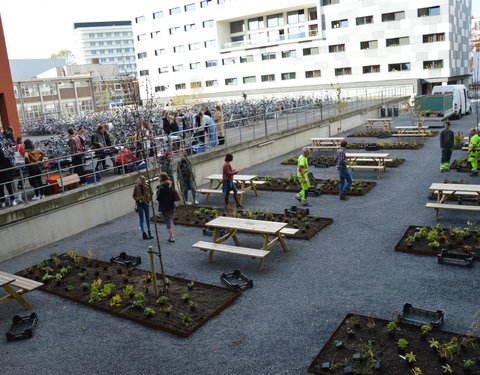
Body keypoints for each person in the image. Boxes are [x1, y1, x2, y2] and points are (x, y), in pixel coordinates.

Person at [156, 172, 176, 243]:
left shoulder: (160, 188)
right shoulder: (170, 184)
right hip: (171, 205)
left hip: (164, 206)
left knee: (168, 222)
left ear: (161, 178)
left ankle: (172, 237)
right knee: (171, 220)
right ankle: (172, 235)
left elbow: (158, 198)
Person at [132, 175, 154, 240]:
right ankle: (144, 233)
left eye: (139, 181)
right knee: (141, 219)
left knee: (147, 218)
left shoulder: (147, 186)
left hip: (146, 204)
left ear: (142, 181)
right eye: (137, 181)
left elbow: (151, 193)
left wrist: (147, 199)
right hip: (139, 205)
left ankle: (149, 231)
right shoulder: (136, 187)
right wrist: (138, 199)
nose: (137, 182)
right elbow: (133, 195)